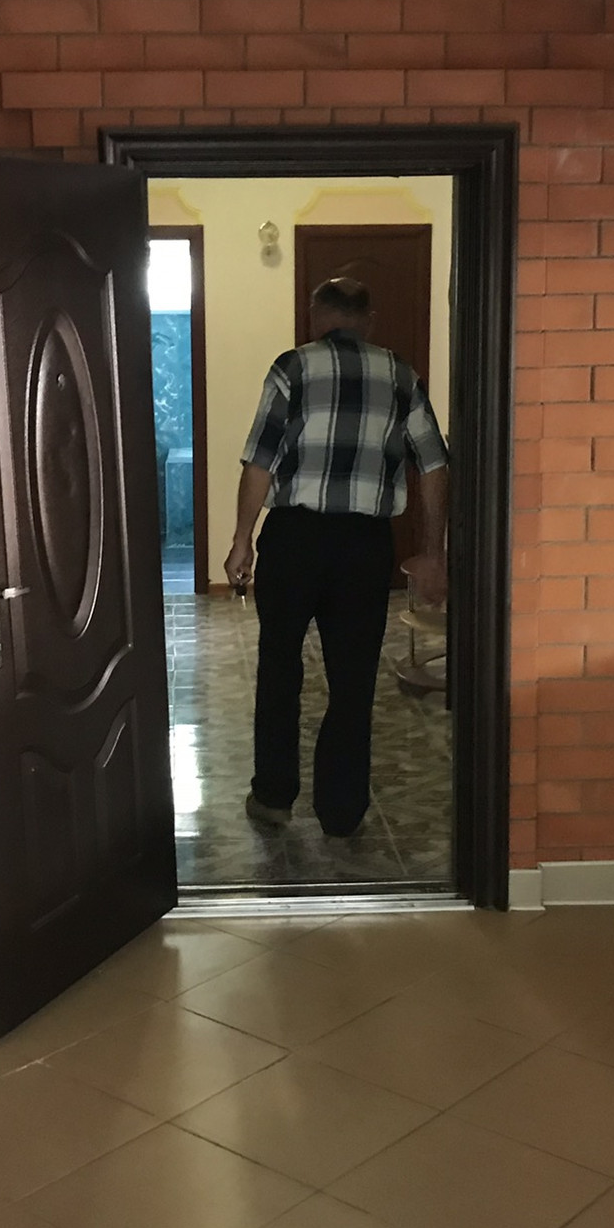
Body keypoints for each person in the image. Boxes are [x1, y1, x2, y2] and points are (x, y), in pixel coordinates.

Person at [223, 276, 449, 840]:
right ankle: (342, 811)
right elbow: (434, 466)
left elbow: (260, 461)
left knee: (280, 666)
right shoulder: (401, 374)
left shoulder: (292, 368)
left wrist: (242, 539)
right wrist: (432, 551)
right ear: (368, 320)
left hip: (293, 540)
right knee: (353, 679)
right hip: (364, 545)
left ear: (315, 315)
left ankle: (274, 796)